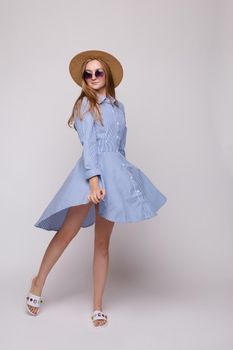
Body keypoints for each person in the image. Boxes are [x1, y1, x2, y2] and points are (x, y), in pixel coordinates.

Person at [25, 49, 167, 327]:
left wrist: (122, 177)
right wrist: (93, 181)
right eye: (87, 73)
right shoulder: (84, 106)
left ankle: (97, 306)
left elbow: (120, 146)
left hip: (115, 173)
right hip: (90, 174)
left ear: (107, 75)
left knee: (102, 243)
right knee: (67, 232)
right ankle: (38, 281)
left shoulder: (118, 107)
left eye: (97, 72)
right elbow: (88, 147)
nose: (92, 77)